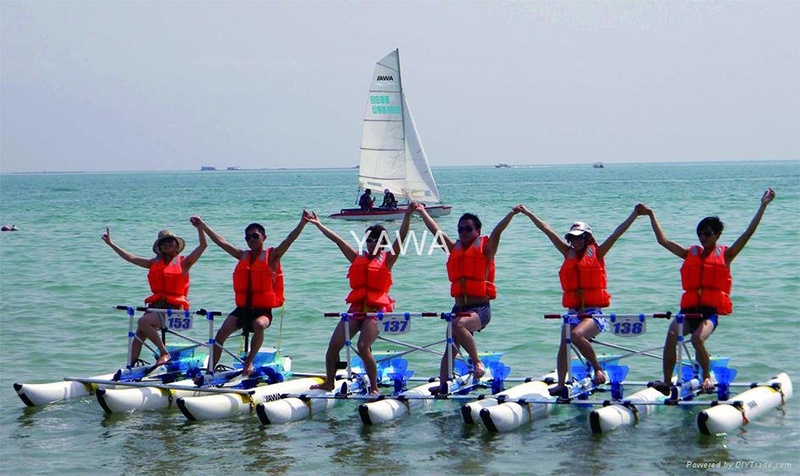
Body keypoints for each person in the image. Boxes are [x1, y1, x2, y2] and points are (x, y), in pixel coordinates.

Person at [643, 188, 775, 392]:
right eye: (700, 233)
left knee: (697, 338)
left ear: (717, 235)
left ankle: (706, 378)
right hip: (688, 312)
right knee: (671, 335)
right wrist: (652, 214)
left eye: (707, 233)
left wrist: (763, 205)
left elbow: (748, 233)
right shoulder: (689, 253)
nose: (703, 237)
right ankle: (667, 383)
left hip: (709, 314)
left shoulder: (727, 255)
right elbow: (663, 241)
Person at [515, 204, 647, 396]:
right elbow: (547, 230)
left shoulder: (598, 253)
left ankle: (598, 369)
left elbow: (617, 232)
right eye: (572, 238)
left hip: (594, 314)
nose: (575, 241)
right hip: (574, 313)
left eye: (579, 237)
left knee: (576, 335)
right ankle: (561, 384)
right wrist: (528, 214)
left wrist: (634, 214)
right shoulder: (566, 252)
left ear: (587, 238)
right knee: (564, 341)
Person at [305, 205, 414, 396]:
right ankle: (329, 382)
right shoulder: (357, 257)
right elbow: (337, 241)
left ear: (382, 244)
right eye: (369, 240)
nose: (371, 244)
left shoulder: (388, 259)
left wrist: (408, 215)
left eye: (375, 241)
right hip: (356, 309)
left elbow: (402, 237)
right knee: (333, 346)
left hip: (377, 311)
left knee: (363, 347)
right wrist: (318, 224)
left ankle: (374, 388)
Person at [414, 206, 519, 393]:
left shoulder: (486, 249)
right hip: (459, 307)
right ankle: (444, 383)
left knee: (459, 325)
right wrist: (422, 212)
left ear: (477, 231)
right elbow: (436, 231)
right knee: (451, 346)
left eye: (468, 229)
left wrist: (510, 214)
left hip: (480, 309)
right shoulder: (454, 248)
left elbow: (498, 231)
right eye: (460, 229)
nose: (463, 232)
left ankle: (478, 363)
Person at [190, 213, 310, 376]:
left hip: (262, 311)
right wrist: (202, 226)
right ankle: (209, 371)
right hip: (242, 309)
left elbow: (289, 240)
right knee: (220, 334)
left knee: (259, 325)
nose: (251, 240)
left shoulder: (272, 256)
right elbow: (221, 242)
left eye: (255, 236)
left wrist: (302, 223)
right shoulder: (242, 255)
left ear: (263, 237)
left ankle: (249, 363)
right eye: (248, 237)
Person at [102, 223, 207, 367]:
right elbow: (131, 258)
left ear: (177, 245)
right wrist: (111, 244)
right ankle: (130, 367)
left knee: (143, 322)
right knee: (139, 334)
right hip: (156, 307)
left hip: (176, 310)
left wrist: (199, 227)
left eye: (170, 240)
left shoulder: (185, 263)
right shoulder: (153, 263)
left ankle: (164, 353)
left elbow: (203, 245)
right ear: (159, 247)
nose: (167, 244)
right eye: (163, 242)